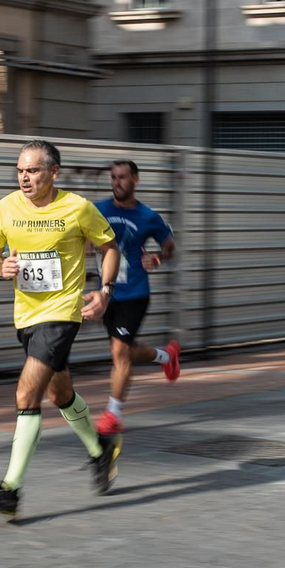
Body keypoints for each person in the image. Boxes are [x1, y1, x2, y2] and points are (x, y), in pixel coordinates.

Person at [0, 140, 120, 517]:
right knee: (60, 392)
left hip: (62, 312)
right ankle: (100, 450)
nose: (24, 177)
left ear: (53, 172)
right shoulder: (6, 207)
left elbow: (110, 247)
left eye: (33, 170)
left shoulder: (78, 208)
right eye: (20, 170)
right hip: (26, 315)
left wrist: (104, 292)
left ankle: (11, 489)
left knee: (27, 392)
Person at [92, 159, 181, 443]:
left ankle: (112, 415)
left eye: (122, 177)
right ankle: (167, 356)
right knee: (125, 353)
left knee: (119, 354)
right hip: (107, 294)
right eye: (113, 178)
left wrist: (156, 258)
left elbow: (169, 247)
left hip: (135, 294)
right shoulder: (98, 210)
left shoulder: (148, 216)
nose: (117, 182)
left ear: (135, 180)